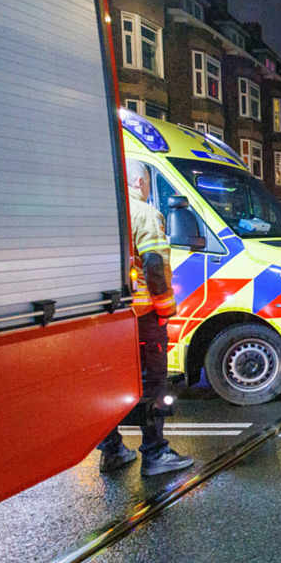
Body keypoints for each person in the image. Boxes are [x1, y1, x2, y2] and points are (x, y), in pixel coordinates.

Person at [98, 161, 195, 476]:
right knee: (152, 384)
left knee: (109, 386)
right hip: (142, 319)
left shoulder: (103, 213)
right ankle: (155, 454)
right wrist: (165, 310)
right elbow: (153, 264)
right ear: (140, 181)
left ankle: (112, 451)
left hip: (107, 322)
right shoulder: (144, 214)